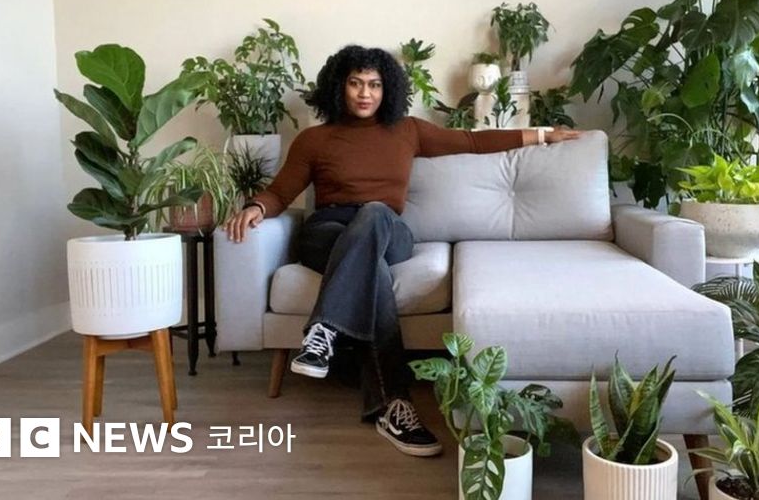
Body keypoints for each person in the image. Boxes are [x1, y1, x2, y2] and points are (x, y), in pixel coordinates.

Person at [223, 45, 580, 457]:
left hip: (388, 229)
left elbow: (471, 141)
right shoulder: (314, 140)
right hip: (329, 232)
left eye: (374, 85)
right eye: (355, 83)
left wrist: (542, 135)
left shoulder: (407, 130)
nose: (365, 93)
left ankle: (323, 331)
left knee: (374, 213)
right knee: (372, 274)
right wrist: (256, 208)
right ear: (339, 87)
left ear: (386, 89)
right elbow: (281, 191)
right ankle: (393, 405)